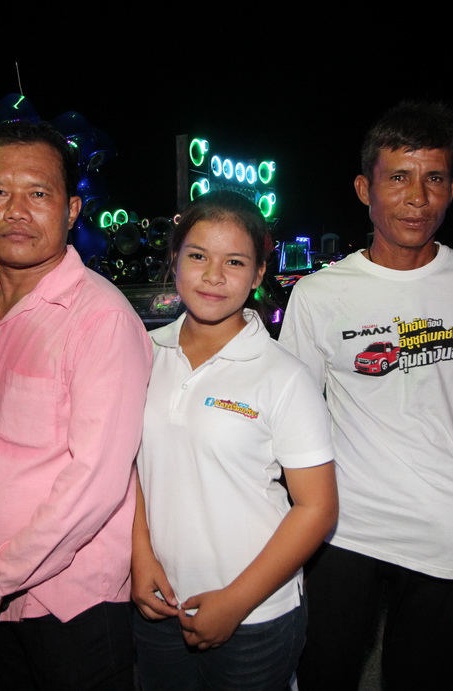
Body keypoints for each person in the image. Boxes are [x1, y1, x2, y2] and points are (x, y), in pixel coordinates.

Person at [279, 100, 453, 690]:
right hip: (346, 525)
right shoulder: (318, 294)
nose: (417, 197)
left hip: (450, 523)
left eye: (434, 178)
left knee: (423, 676)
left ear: (451, 189)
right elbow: (292, 419)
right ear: (366, 188)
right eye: (399, 178)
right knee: (325, 671)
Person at [0, 119, 152, 689]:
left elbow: (96, 480)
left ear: (71, 210)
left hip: (71, 605)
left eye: (38, 194)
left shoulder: (100, 319)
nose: (16, 211)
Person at [130, 191, 338, 690]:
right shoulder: (142, 353)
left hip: (256, 614)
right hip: (159, 600)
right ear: (174, 259)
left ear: (259, 274)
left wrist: (236, 602)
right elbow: (131, 468)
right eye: (198, 256)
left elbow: (317, 508)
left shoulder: (283, 376)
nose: (214, 275)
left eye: (235, 262)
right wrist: (140, 558)